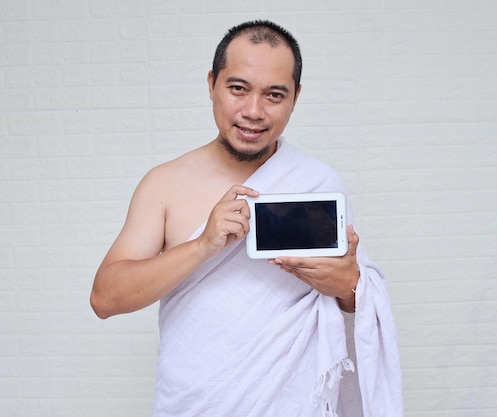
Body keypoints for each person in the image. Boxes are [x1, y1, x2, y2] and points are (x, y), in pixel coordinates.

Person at [91, 20, 403, 417]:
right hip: (194, 403)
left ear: (295, 97)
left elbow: (351, 299)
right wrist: (203, 245)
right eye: (237, 89)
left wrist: (348, 286)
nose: (253, 112)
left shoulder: (317, 182)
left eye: (274, 95)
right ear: (211, 84)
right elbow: (105, 298)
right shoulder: (165, 184)